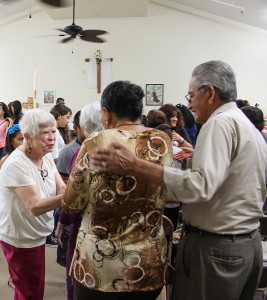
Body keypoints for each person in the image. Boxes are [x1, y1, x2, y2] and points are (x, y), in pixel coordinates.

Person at [90, 61, 267, 300]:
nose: (190, 103)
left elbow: (200, 186)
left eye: (192, 95)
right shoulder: (245, 124)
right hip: (245, 243)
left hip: (217, 247)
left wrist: (135, 165)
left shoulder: (219, 123)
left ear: (211, 92)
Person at [62, 81, 173, 300]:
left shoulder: (97, 141)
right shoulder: (161, 140)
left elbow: (71, 203)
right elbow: (168, 189)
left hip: (99, 266)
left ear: (106, 113)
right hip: (146, 264)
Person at [0, 109, 65, 300]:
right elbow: (35, 206)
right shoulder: (16, 164)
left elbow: (61, 187)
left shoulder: (45, 156)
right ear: (27, 137)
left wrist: (69, 193)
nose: (52, 138)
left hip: (36, 234)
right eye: (45, 133)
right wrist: (75, 194)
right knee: (30, 291)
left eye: (54, 131)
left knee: (30, 284)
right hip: (21, 238)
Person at [56, 102, 102, 300]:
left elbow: (73, 196)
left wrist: (62, 221)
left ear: (82, 127)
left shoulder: (83, 152)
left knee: (78, 277)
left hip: (85, 225)